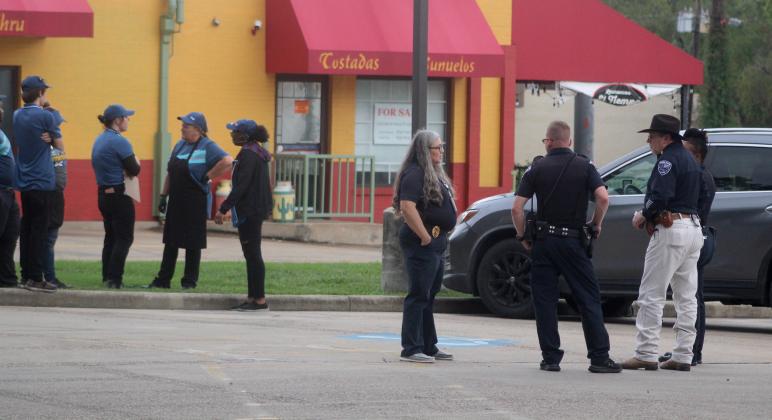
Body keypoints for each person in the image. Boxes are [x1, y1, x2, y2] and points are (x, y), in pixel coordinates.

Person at [511, 120, 621, 374]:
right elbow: (603, 198)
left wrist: (521, 236)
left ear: (548, 142)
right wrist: (596, 224)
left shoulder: (536, 169)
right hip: (573, 242)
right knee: (588, 298)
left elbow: (517, 208)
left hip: (544, 242)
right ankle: (599, 358)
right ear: (569, 141)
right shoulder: (585, 166)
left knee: (545, 300)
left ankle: (550, 358)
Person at [623, 114, 703, 372]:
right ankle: (683, 354)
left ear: (666, 138)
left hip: (671, 230)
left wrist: (642, 215)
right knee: (686, 297)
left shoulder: (667, 161)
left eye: (653, 136)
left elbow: (660, 196)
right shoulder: (690, 160)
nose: (649, 141)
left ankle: (646, 352)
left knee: (651, 294)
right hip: (693, 227)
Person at [148, 112, 232, 289]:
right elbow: (170, 172)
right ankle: (163, 280)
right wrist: (163, 196)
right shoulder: (179, 146)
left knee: (193, 243)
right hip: (176, 200)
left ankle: (189, 281)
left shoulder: (207, 146)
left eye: (186, 126)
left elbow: (228, 161)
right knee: (171, 241)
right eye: (183, 125)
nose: (182, 128)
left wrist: (208, 176)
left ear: (199, 130)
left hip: (195, 201)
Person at [393, 130, 456, 363]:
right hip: (423, 242)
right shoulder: (415, 173)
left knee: (429, 295)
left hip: (437, 241)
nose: (441, 151)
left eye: (441, 147)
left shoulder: (434, 174)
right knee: (418, 295)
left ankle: (429, 345)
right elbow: (407, 207)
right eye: (437, 148)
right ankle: (411, 348)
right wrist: (425, 237)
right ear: (424, 151)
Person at [659, 128, 716, 366]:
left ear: (698, 155)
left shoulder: (700, 177)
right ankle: (689, 350)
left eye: (686, 152)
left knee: (691, 296)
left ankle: (692, 350)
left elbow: (695, 212)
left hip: (691, 237)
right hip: (694, 237)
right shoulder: (699, 175)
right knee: (689, 295)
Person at [214, 120, 273, 310]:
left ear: (245, 135)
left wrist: (224, 208)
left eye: (235, 132)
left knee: (253, 254)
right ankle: (252, 297)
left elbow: (242, 186)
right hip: (255, 208)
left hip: (251, 209)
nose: (232, 135)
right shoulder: (255, 151)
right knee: (250, 254)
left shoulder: (249, 154)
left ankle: (259, 299)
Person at [13, 75, 62, 292]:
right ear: (40, 93)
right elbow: (60, 148)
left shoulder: (16, 115)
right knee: (41, 232)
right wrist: (52, 141)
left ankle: (26, 275)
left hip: (24, 180)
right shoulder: (46, 118)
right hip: (43, 181)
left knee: (27, 229)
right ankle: (37, 276)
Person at [91, 104, 140, 289]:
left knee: (111, 237)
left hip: (103, 194)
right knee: (124, 238)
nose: (129, 120)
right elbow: (135, 169)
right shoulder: (120, 141)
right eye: (126, 117)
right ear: (117, 120)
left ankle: (107, 276)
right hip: (119, 195)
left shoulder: (99, 139)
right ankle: (115, 279)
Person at [42, 102, 68, 289]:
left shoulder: (54, 150)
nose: (60, 132)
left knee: (47, 239)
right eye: (58, 128)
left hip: (53, 195)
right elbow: (59, 179)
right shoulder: (52, 151)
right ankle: (49, 276)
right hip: (51, 196)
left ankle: (48, 275)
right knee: (48, 239)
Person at [0, 101, 20, 288]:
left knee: (10, 235)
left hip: (8, 192)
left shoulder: (2, 133)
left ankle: (6, 279)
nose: (2, 109)